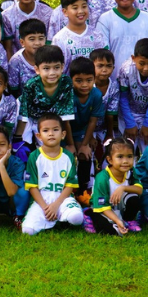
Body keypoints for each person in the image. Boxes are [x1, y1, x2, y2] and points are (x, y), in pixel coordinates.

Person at [20, 113, 83, 235]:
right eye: (46, 130)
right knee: (27, 231)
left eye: (55, 129)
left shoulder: (68, 156)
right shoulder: (34, 156)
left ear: (63, 134)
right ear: (38, 136)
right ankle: (53, 218)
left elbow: (70, 185)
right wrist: (45, 207)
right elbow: (32, 186)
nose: (51, 133)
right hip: (41, 200)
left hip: (63, 198)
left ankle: (65, 216)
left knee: (76, 218)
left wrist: (56, 205)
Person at [15, 45, 76, 153]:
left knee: (48, 147)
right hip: (29, 117)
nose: (52, 73)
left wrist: (70, 144)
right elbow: (23, 113)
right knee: (22, 147)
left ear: (62, 67)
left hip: (50, 118)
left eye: (56, 67)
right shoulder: (31, 85)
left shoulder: (66, 83)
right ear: (37, 69)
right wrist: (17, 138)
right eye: (46, 68)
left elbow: (65, 117)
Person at [85, 138, 143, 235]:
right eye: (120, 157)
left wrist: (123, 188)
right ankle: (88, 215)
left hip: (119, 206)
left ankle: (128, 220)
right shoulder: (102, 178)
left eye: (129, 156)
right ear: (110, 160)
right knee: (111, 232)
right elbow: (103, 206)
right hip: (103, 209)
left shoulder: (131, 171)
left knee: (134, 199)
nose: (125, 161)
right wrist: (117, 221)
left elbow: (140, 190)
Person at [68, 57, 103, 195]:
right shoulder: (68, 94)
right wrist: (70, 144)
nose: (84, 85)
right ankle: (68, 189)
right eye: (79, 81)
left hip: (83, 131)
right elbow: (66, 122)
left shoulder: (96, 95)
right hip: (66, 131)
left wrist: (85, 143)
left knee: (85, 154)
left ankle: (83, 191)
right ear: (71, 79)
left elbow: (92, 121)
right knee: (68, 156)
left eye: (89, 80)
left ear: (94, 79)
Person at [52, 0, 108, 74]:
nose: (81, 11)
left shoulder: (97, 35)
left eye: (84, 6)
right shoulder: (59, 39)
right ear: (65, 12)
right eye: (75, 8)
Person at [8, 18, 46, 96]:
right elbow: (13, 90)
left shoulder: (50, 56)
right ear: (22, 42)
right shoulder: (16, 61)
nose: (37, 43)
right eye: (32, 39)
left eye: (41, 38)